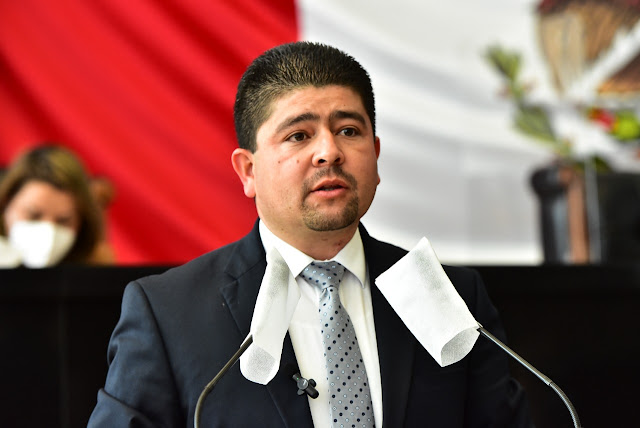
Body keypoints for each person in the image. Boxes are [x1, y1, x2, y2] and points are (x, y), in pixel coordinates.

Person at [88, 42, 533, 427]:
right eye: (299, 135)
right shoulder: (170, 313)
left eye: (348, 131)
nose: (329, 152)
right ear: (248, 171)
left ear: (376, 155)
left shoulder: (445, 295)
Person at [0, 144, 114, 267]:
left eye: (63, 221)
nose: (48, 233)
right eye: (34, 216)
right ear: (6, 202)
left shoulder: (95, 267)